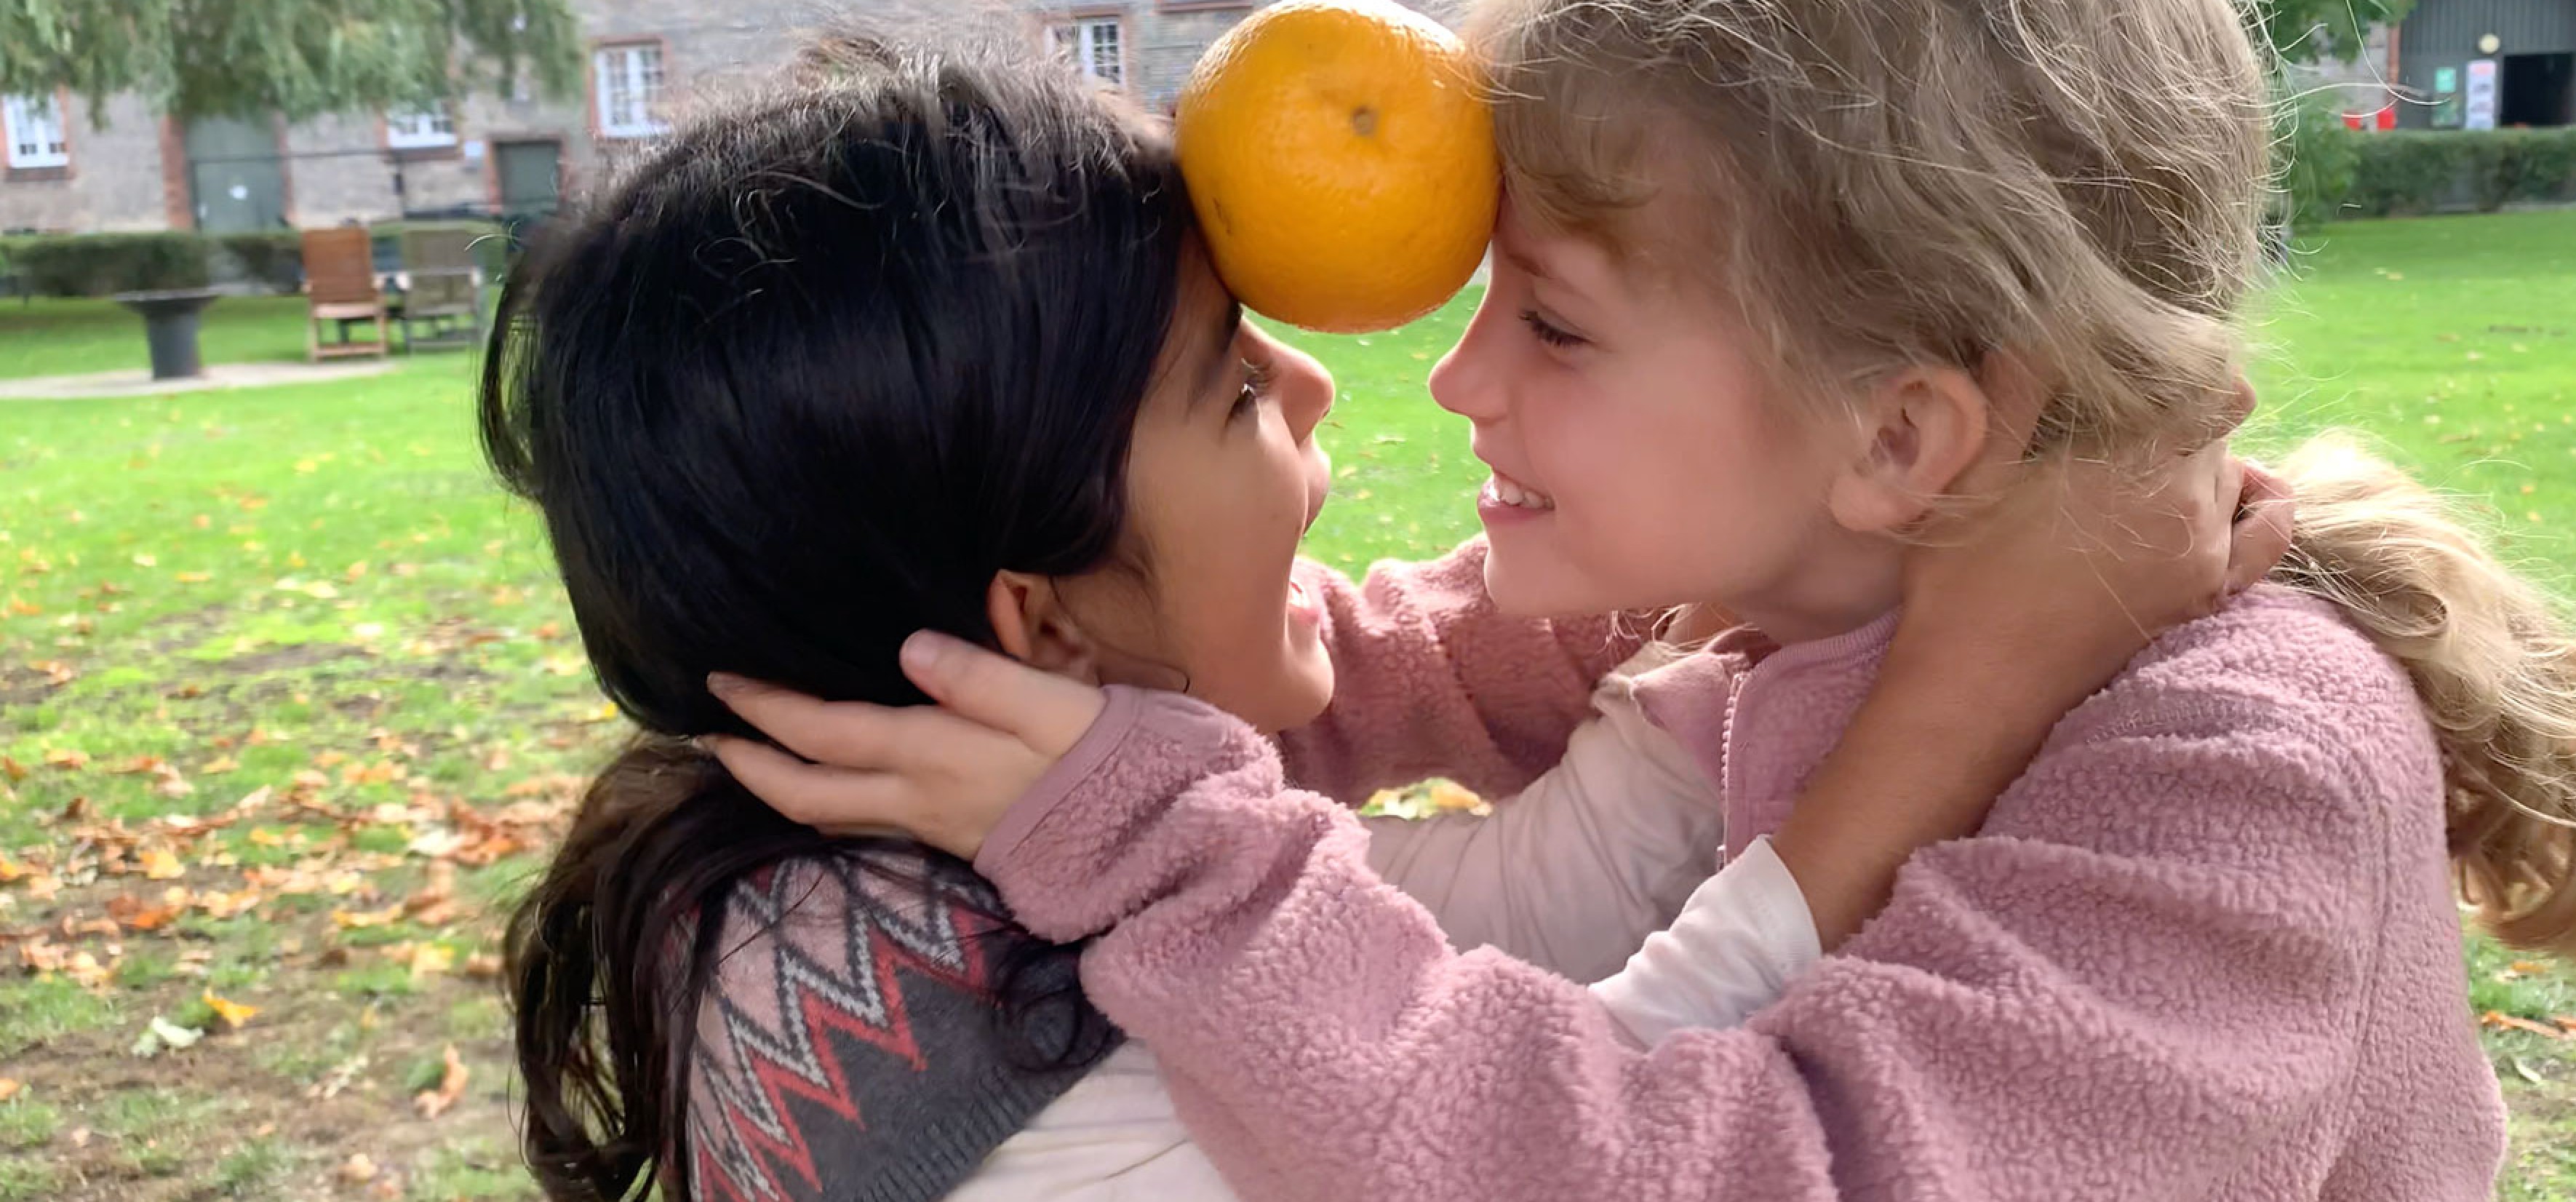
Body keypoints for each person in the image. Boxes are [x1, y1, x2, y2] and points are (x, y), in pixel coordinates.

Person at [722, 0, 2576, 1198]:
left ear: (1898, 435)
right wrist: (974, 648)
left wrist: (1161, 851)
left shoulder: (2233, 780)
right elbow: (1357, 669)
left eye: (1553, 320)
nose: (1460, 383)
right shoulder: (1754, 593)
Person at [487, 39, 2268, 1202]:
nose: (1331, 386)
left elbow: (1465, 944)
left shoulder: (909, 855)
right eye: (1230, 390)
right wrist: (1953, 699)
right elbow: (1578, 1125)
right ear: (1038, 622)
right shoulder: (946, 1093)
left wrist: (1755, 615)